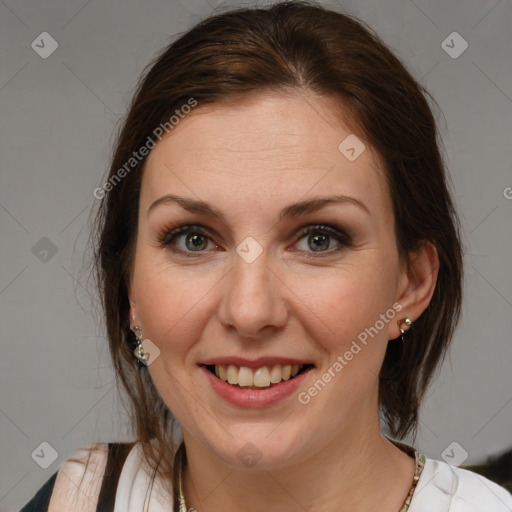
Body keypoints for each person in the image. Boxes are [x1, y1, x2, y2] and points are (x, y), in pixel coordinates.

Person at [20, 1, 512, 511]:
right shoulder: (73, 499)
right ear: (131, 289)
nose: (250, 311)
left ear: (410, 284)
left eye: (319, 239)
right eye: (193, 239)